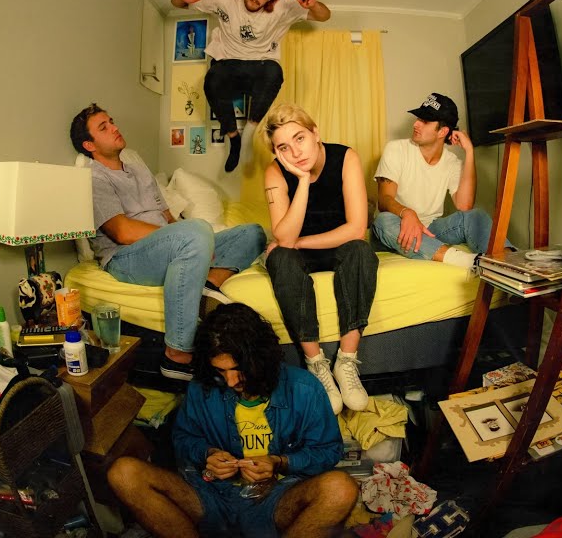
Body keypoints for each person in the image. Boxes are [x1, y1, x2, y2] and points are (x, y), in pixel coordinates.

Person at [106, 302, 358, 538]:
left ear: (260, 359)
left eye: (238, 370)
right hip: (210, 494)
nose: (230, 381)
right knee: (123, 473)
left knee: (342, 488)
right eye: (220, 371)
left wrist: (280, 462)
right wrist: (208, 454)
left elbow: (328, 451)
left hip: (276, 498)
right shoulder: (202, 388)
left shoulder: (303, 387)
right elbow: (182, 438)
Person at [69, 103, 266, 380]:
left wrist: (196, 243)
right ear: (89, 145)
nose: (114, 127)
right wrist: (189, 238)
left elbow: (167, 216)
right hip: (127, 257)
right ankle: (177, 354)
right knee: (196, 230)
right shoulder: (95, 178)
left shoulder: (137, 166)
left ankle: (208, 286)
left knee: (253, 233)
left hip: (170, 247)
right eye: (104, 127)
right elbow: (121, 231)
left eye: (111, 121)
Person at [260, 104, 377, 415]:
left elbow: (357, 228)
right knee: (280, 258)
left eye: (300, 138)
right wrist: (301, 180)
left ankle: (346, 361)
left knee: (361, 251)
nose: (295, 152)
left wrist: (299, 242)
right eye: (283, 147)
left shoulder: (346, 158)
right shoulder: (275, 172)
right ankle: (316, 363)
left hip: (337, 244)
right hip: (297, 253)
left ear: (315, 133)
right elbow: (284, 239)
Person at [171, 0, 331, 173]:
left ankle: (247, 135)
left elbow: (324, 16)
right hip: (228, 64)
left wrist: (313, 4)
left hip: (260, 66)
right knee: (212, 79)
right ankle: (234, 139)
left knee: (274, 71)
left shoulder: (283, 5)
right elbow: (177, 3)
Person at [372, 93, 512, 267]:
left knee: (476, 215)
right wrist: (407, 213)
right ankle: (467, 261)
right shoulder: (396, 149)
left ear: (443, 132)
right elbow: (384, 199)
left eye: (425, 121)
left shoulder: (452, 162)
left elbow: (464, 206)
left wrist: (469, 152)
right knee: (383, 220)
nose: (415, 124)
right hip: (396, 226)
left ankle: (509, 263)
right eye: (418, 118)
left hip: (430, 230)